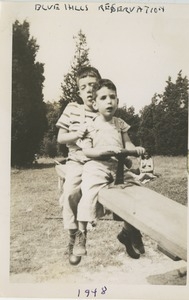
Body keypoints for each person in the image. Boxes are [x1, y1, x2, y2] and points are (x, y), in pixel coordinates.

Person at [73, 79, 145, 258]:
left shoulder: (120, 123)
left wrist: (135, 149)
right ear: (95, 103)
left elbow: (127, 143)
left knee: (135, 193)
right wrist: (102, 151)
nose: (109, 101)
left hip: (118, 166)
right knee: (89, 193)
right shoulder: (90, 125)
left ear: (118, 102)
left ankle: (130, 232)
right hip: (96, 165)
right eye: (103, 97)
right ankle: (81, 234)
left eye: (112, 97)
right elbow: (87, 150)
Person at [56, 66, 101, 265]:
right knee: (70, 192)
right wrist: (77, 134)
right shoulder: (72, 108)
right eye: (84, 87)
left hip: (98, 161)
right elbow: (61, 138)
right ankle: (73, 236)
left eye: (93, 85)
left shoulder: (104, 111)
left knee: (113, 193)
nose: (89, 90)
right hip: (76, 158)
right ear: (79, 91)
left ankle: (130, 232)